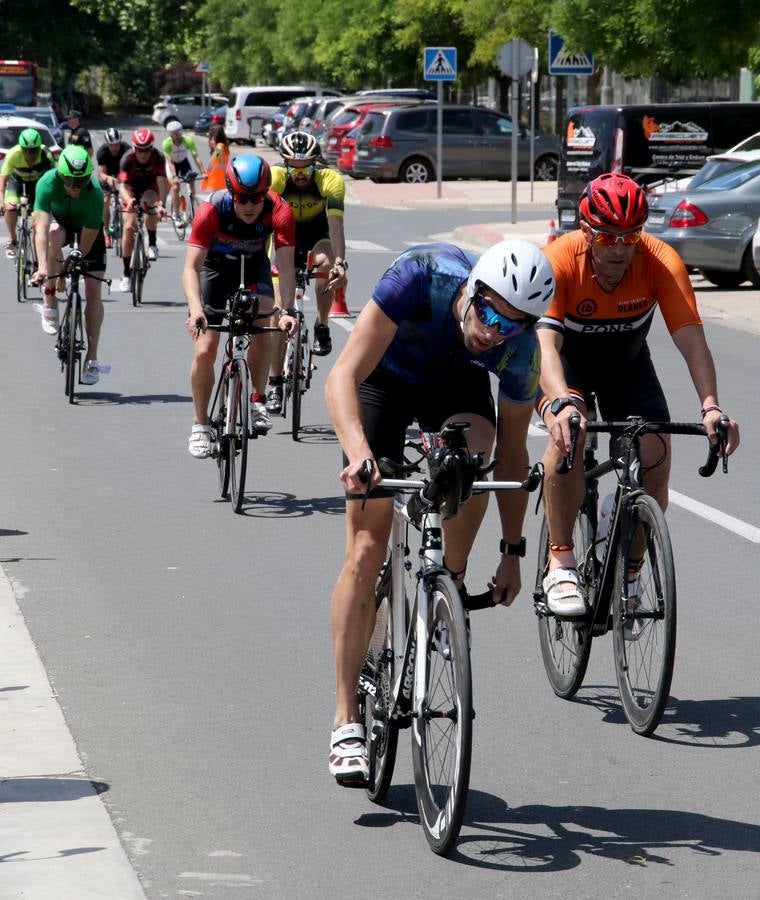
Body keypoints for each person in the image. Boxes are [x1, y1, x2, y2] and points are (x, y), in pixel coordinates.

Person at [324, 239, 555, 785]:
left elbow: (515, 455)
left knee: (474, 459)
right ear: (473, 290)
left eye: (514, 324)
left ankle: (446, 584)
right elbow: (343, 376)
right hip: (383, 379)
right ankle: (344, 718)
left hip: (453, 386)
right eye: (492, 312)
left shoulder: (520, 350)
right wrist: (360, 453)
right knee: (365, 547)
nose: (496, 330)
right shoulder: (421, 277)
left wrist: (514, 552)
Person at [537, 172, 740, 623]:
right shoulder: (559, 260)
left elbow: (691, 339)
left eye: (630, 236)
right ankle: (561, 560)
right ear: (586, 231)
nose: (618, 248)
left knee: (655, 454)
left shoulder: (659, 260)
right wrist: (561, 403)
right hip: (564, 365)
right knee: (568, 439)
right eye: (607, 236)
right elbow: (546, 345)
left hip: (625, 365)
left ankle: (629, 571)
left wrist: (711, 406)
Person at [183, 154, 298, 458]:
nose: (249, 205)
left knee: (266, 321)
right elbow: (191, 268)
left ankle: (257, 399)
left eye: (256, 198)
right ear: (231, 193)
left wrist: (286, 310)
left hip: (254, 266)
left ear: (266, 193)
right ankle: (200, 424)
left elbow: (286, 269)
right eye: (242, 198)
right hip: (214, 269)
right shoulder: (211, 210)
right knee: (206, 350)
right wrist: (196, 310)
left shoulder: (280, 210)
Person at [265, 131, 347, 412]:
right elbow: (264, 226)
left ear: (316, 164)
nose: (300, 175)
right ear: (285, 165)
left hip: (316, 236)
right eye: (294, 169)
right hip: (283, 237)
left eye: (307, 168)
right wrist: (265, 263)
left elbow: (336, 226)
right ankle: (274, 382)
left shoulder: (330, 180)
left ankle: (322, 323)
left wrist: (340, 263)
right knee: (278, 313)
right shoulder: (275, 178)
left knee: (326, 264)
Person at [31, 145, 107, 384]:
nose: (75, 187)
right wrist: (44, 268)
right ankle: (49, 301)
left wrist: (72, 265)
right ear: (59, 174)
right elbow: (40, 229)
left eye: (81, 181)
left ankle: (92, 358)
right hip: (61, 225)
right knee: (53, 233)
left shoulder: (94, 193)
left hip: (87, 232)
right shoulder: (46, 183)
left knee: (93, 292)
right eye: (69, 181)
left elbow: (86, 243)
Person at [117, 127, 167, 292]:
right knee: (129, 227)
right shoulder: (127, 159)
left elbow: (161, 183)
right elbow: (122, 185)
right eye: (139, 149)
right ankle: (126, 274)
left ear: (151, 148)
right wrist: (128, 200)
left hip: (149, 188)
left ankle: (152, 244)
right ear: (134, 148)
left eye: (146, 150)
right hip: (130, 189)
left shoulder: (158, 157)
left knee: (150, 202)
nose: (143, 154)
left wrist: (161, 204)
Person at [0, 127, 55, 258]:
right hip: (16, 184)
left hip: (38, 185)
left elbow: (53, 181)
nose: (30, 155)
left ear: (39, 148)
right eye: (27, 151)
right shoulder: (13, 154)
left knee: (38, 222)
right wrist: (1, 201)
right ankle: (13, 239)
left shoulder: (47, 155)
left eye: (34, 151)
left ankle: (37, 258)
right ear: (21, 148)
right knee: (10, 208)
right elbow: (3, 180)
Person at [162, 121, 205, 222]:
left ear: (181, 132)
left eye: (178, 133)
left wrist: (203, 171)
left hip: (183, 162)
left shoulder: (188, 140)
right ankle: (176, 214)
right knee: (176, 187)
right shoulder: (166, 143)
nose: (176, 136)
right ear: (170, 134)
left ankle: (191, 200)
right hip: (172, 165)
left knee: (191, 179)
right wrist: (174, 176)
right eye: (173, 134)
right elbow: (170, 162)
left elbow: (196, 156)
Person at [96, 126, 130, 249]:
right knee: (106, 201)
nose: (115, 148)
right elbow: (101, 173)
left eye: (117, 144)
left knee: (127, 198)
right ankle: (106, 232)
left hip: (122, 175)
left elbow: (129, 169)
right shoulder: (102, 152)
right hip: (107, 176)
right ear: (107, 144)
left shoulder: (127, 150)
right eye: (112, 145)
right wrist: (109, 178)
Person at [199, 124, 230, 192]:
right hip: (221, 180)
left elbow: (215, 159)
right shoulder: (224, 146)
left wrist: (206, 171)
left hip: (217, 181)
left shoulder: (219, 146)